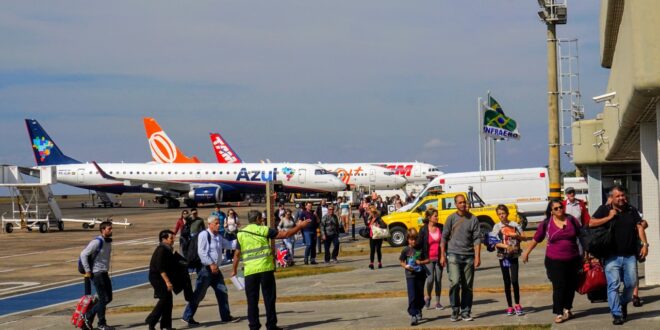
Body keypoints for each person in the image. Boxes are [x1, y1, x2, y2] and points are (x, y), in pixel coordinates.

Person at [231, 210, 311, 330]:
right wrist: (300, 226)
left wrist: (234, 270)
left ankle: (253, 326)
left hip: (249, 271)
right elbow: (285, 235)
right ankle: (271, 325)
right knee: (269, 298)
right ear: (258, 219)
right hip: (265, 269)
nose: (262, 220)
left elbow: (237, 254)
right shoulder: (263, 230)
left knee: (252, 301)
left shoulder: (241, 233)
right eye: (261, 219)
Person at [589, 186, 648, 325]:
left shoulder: (631, 209)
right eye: (618, 196)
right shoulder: (604, 209)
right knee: (613, 285)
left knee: (631, 283)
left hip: (629, 255)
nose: (621, 198)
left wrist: (645, 244)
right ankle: (616, 313)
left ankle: (622, 303)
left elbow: (640, 226)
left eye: (623, 195)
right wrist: (609, 217)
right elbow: (591, 223)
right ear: (612, 197)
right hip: (611, 256)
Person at [522, 200, 581, 324]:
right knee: (559, 286)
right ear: (551, 211)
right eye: (556, 208)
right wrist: (527, 252)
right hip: (554, 260)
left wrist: (587, 252)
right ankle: (559, 312)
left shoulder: (572, 220)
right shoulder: (547, 223)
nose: (559, 209)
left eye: (561, 207)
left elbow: (582, 236)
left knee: (571, 286)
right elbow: (536, 238)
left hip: (573, 258)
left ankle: (567, 309)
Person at [182, 215, 240, 325]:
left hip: (216, 270)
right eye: (216, 223)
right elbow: (202, 252)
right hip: (206, 270)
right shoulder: (204, 234)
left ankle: (226, 317)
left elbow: (228, 244)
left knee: (222, 292)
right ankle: (187, 316)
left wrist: (241, 240)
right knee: (199, 294)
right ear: (210, 224)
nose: (219, 225)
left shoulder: (218, 236)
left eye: (219, 223)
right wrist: (211, 264)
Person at [440, 194, 481, 322]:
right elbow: (444, 238)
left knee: (467, 286)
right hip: (453, 254)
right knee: (455, 283)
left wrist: (477, 256)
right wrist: (442, 255)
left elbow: (477, 239)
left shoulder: (473, 219)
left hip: (469, 256)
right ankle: (455, 309)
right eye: (460, 203)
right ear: (456, 204)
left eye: (464, 202)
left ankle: (465, 312)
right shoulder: (451, 218)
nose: (463, 205)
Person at [490, 204, 527, 316]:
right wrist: (505, 246)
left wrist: (516, 235)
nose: (502, 216)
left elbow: (524, 237)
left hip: (514, 256)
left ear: (507, 213)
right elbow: (493, 242)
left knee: (514, 280)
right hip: (503, 257)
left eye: (503, 213)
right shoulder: (497, 227)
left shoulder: (514, 224)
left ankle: (517, 304)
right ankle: (509, 306)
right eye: (499, 214)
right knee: (506, 281)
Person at [80, 221, 114, 330]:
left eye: (111, 228)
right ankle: (99, 322)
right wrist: (88, 270)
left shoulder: (108, 242)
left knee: (108, 298)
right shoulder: (96, 242)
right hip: (97, 273)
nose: (111, 230)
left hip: (104, 273)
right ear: (103, 230)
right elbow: (83, 254)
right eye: (109, 229)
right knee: (103, 299)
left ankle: (90, 317)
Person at [145, 230, 178, 330]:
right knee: (164, 299)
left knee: (168, 302)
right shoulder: (161, 250)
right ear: (164, 239)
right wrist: (167, 282)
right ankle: (151, 319)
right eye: (171, 238)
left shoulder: (167, 249)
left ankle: (165, 326)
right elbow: (160, 268)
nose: (173, 240)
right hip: (158, 278)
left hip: (162, 277)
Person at [400, 228, 429, 326]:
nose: (413, 241)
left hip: (421, 275)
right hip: (410, 275)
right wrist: (406, 266)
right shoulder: (405, 250)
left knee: (419, 294)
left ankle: (420, 308)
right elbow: (401, 261)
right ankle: (413, 315)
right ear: (408, 239)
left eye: (415, 239)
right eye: (411, 239)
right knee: (412, 295)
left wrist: (420, 262)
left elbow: (428, 260)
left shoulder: (420, 249)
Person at [416, 209, 443, 310]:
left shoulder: (441, 227)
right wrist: (413, 256)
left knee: (438, 279)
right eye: (435, 216)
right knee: (430, 279)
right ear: (429, 218)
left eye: (437, 215)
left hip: (439, 258)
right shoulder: (423, 229)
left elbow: (444, 241)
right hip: (428, 259)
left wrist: (444, 256)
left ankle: (438, 302)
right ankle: (428, 296)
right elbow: (419, 244)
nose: (437, 217)